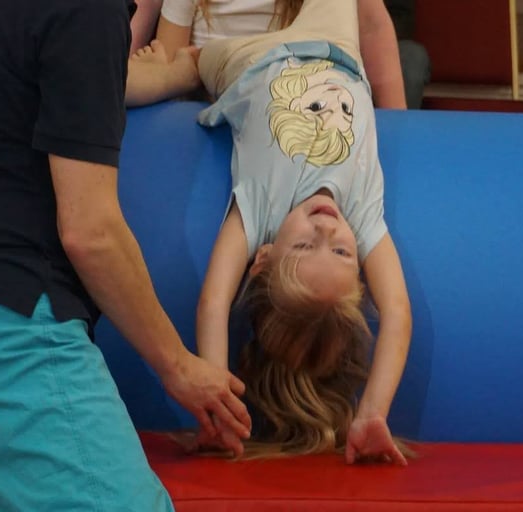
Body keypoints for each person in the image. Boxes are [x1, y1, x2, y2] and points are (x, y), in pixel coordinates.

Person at [0, 0, 249, 510]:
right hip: (2, 332)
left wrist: (176, 73)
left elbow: (66, 81)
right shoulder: (87, 11)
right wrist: (179, 367)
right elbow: (91, 232)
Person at [191, 0, 413, 464]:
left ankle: (165, 66)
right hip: (335, 49)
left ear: (265, 258)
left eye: (308, 244)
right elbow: (396, 311)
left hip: (245, 60)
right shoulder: (363, 217)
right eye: (342, 253)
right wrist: (373, 411)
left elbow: (214, 301)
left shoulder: (258, 213)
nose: (327, 226)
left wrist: (214, 399)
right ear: (359, 277)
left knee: (172, 69)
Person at [127, 0, 407, 109]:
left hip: (300, 92)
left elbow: (372, 27)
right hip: (213, 97)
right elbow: (172, 62)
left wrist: (399, 126)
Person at [383, 0, 431, 109]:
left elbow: (401, 15)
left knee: (414, 58)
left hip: (388, 41)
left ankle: (401, 123)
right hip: (338, 46)